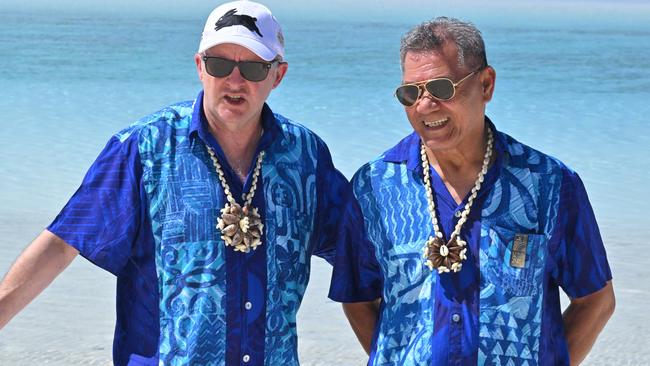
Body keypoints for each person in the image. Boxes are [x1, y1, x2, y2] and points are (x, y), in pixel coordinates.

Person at [0, 1, 352, 365]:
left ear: (277, 75)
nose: (234, 81)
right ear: (200, 67)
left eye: (252, 67)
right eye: (219, 65)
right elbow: (63, 244)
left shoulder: (305, 157)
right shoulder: (146, 148)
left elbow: (362, 250)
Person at [329, 17, 615, 366]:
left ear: (486, 84)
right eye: (410, 93)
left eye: (441, 88)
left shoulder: (549, 184)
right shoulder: (374, 187)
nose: (424, 106)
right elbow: (358, 298)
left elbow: (596, 300)